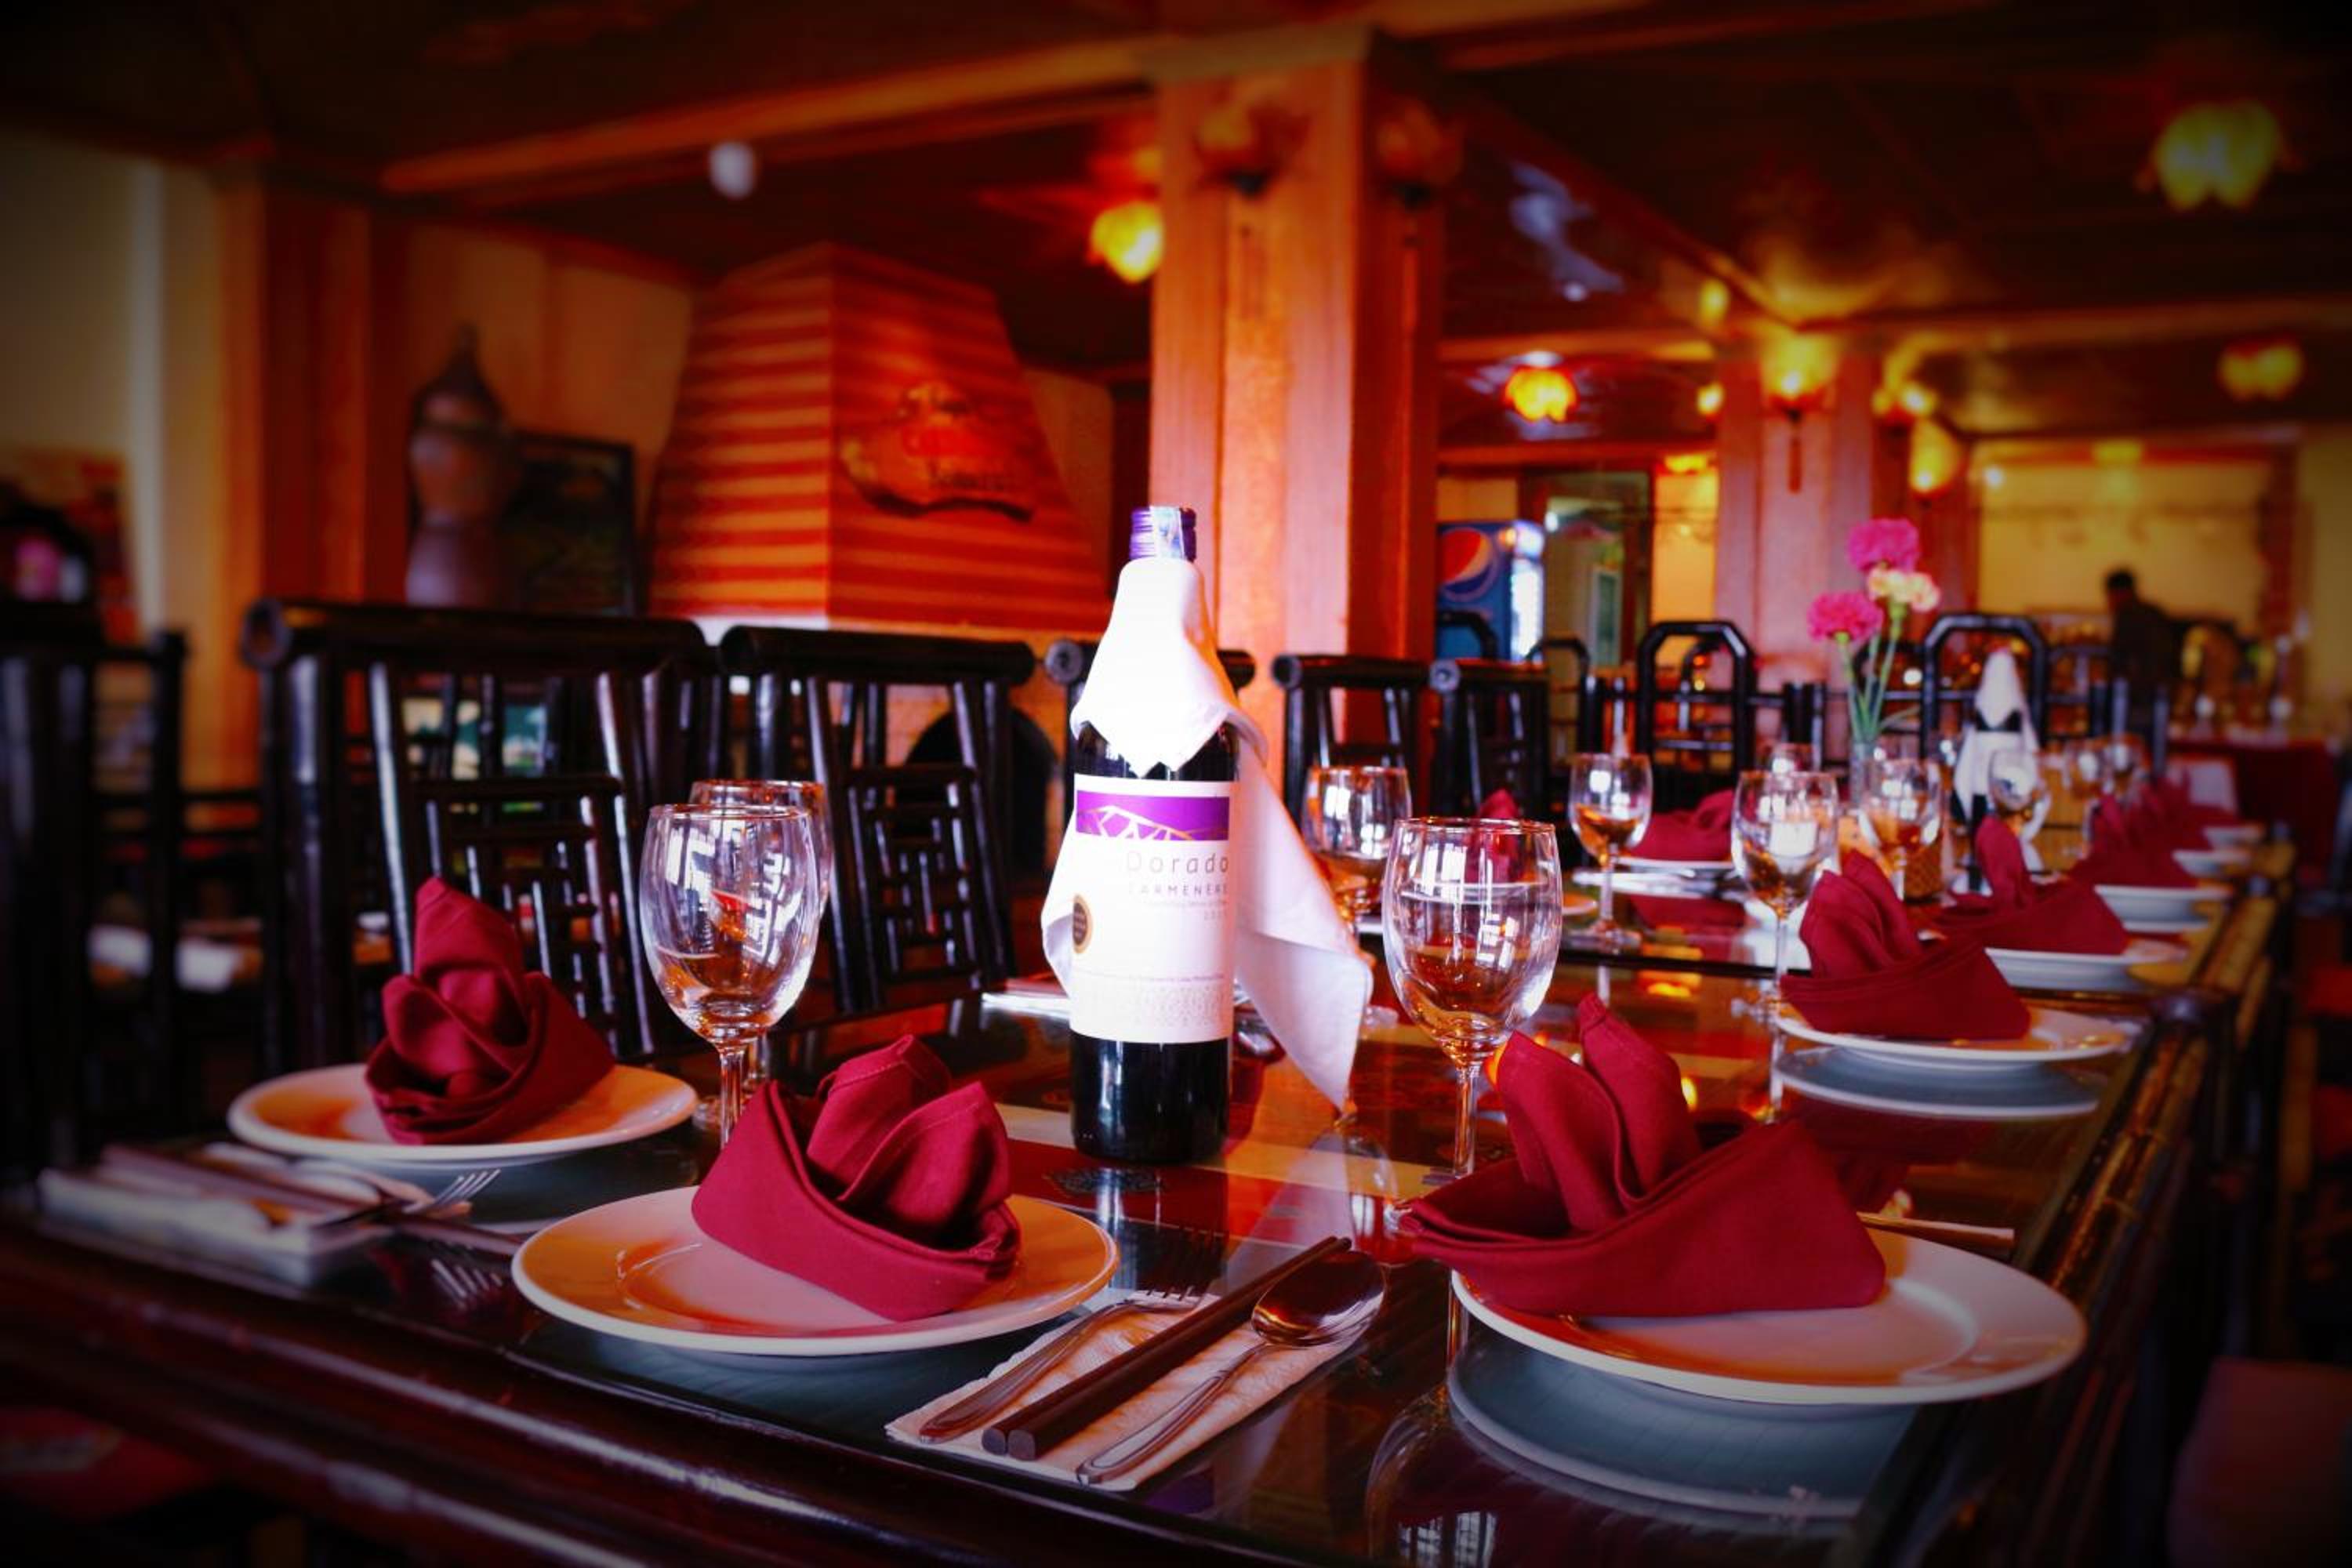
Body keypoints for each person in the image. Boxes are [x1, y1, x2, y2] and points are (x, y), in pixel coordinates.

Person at [2105, 568, 2180, 701]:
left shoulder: (2127, 615)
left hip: (2140, 693)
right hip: (2166, 689)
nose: (2109, 602)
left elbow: (2118, 659)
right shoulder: (2155, 612)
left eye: (2110, 596)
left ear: (2119, 593)